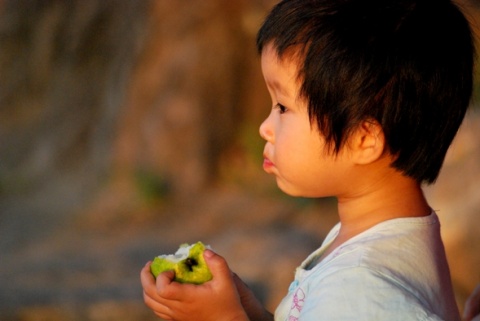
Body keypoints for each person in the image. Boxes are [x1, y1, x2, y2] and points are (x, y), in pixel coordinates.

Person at [140, 0, 476, 320]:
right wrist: (252, 312)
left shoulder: (360, 287)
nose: (265, 127)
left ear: (364, 140)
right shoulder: (375, 239)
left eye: (283, 108)